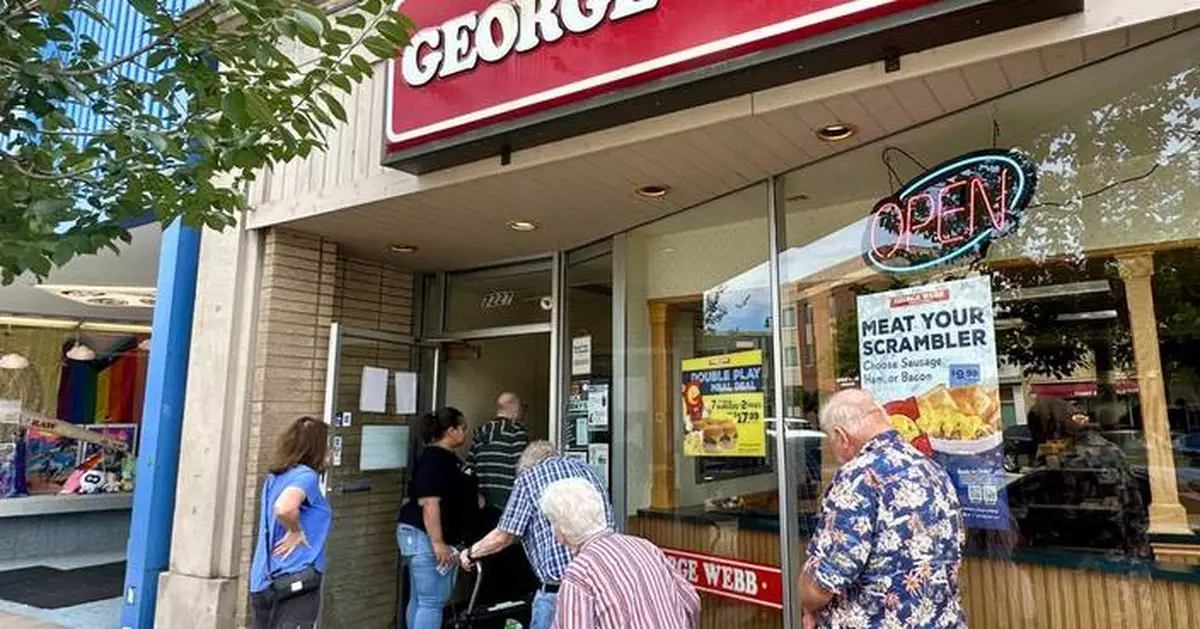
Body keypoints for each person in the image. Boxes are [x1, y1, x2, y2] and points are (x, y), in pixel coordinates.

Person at [801, 389, 965, 629]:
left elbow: (826, 579)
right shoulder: (932, 469)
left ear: (841, 436)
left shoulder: (857, 478)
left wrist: (807, 603)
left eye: (830, 440)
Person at [461, 441, 611, 629]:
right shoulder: (591, 472)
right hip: (602, 584)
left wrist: (470, 553)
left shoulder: (529, 478)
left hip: (558, 591)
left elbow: (504, 536)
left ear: (526, 466)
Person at [538, 477, 700, 629]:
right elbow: (691, 601)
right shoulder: (644, 546)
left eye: (552, 522)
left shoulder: (580, 573)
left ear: (562, 528)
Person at [397, 407, 480, 629]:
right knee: (432, 601)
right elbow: (430, 503)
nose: (465, 433)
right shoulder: (435, 459)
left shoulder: (446, 458)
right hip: (427, 537)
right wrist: (438, 542)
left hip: (424, 536)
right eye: (462, 428)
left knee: (421, 599)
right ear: (451, 430)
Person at [249, 416, 332, 629]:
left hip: (264, 580)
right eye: (327, 445)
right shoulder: (307, 476)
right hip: (295, 579)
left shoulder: (274, 478)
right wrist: (295, 531)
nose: (330, 451)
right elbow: (284, 507)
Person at [468, 392, 530, 509]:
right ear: (514, 408)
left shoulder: (481, 431)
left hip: (481, 501)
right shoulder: (516, 431)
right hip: (506, 500)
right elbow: (522, 468)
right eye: (522, 407)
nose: (522, 411)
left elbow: (469, 467)